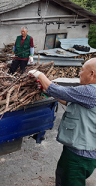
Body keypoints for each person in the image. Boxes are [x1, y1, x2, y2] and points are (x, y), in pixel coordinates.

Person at [28, 58, 96, 186]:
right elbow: (69, 101)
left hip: (79, 156)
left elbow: (61, 91)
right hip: (81, 152)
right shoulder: (89, 94)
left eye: (82, 71)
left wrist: (38, 74)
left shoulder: (91, 92)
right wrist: (46, 91)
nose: (79, 74)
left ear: (92, 74)